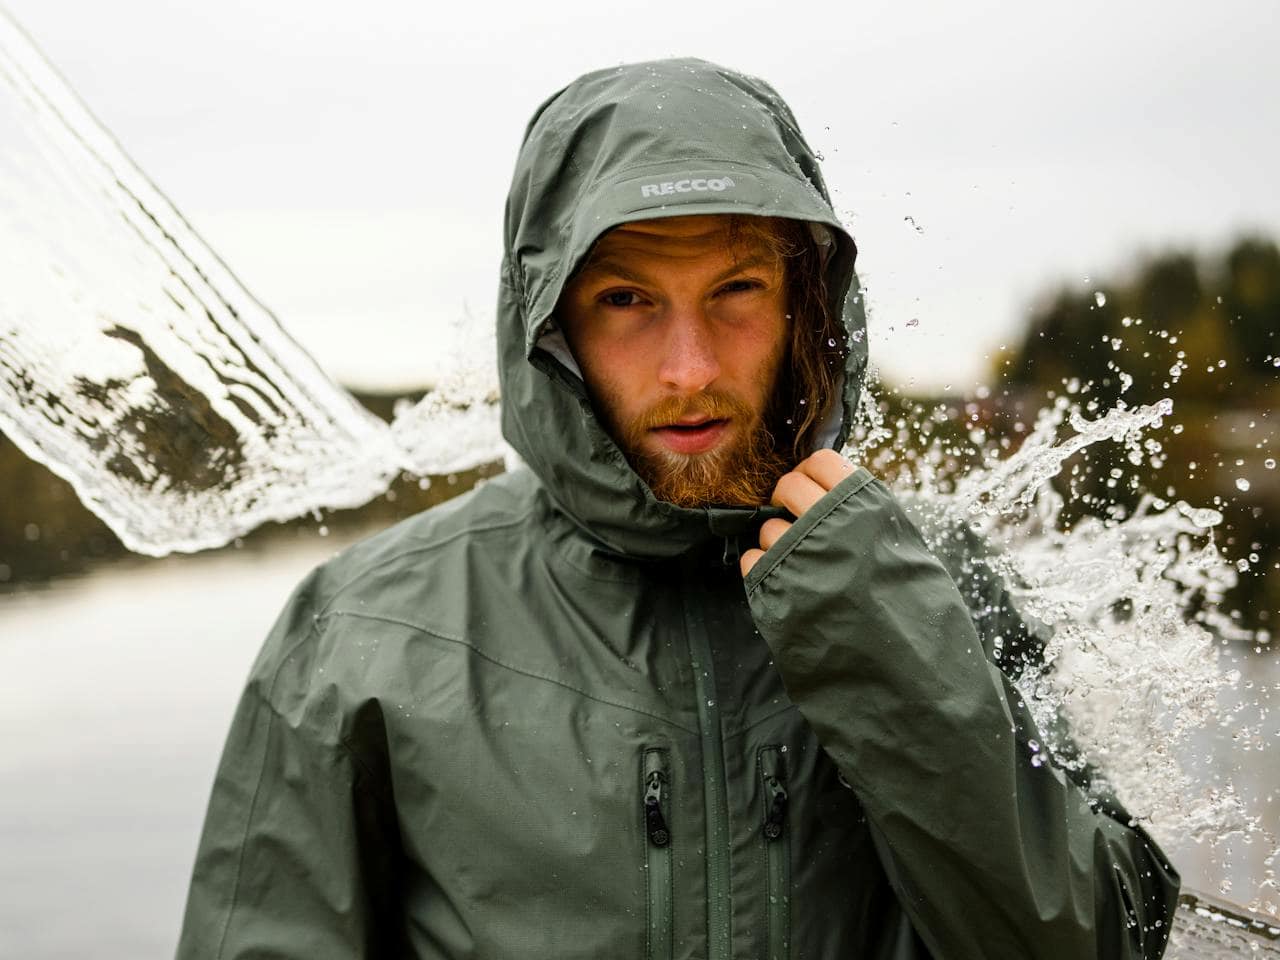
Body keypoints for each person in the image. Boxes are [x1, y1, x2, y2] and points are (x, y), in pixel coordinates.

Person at [177, 58, 1180, 959]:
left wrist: (899, 677)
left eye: (736, 288)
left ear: (809, 309)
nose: (688, 368)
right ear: (548, 325)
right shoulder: (358, 632)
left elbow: (1097, 947)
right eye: (625, 300)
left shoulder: (934, 581)